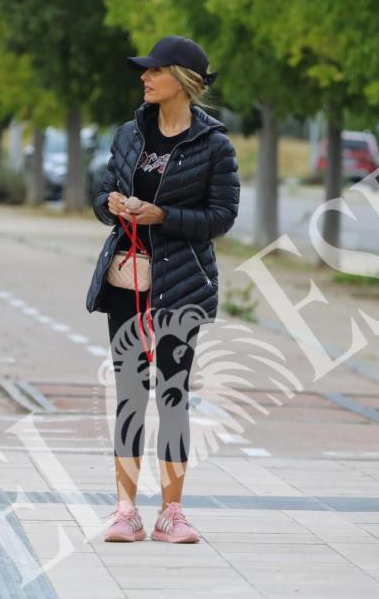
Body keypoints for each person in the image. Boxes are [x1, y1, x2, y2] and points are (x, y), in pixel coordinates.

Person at [85, 35, 240, 543]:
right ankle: (125, 509)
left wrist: (163, 216)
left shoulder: (215, 144)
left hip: (182, 283)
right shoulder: (130, 133)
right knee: (130, 392)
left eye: (155, 71)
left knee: (173, 394)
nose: (145, 78)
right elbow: (102, 187)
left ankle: (171, 512)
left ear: (184, 80)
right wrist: (108, 203)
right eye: (144, 72)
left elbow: (222, 216)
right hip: (125, 278)